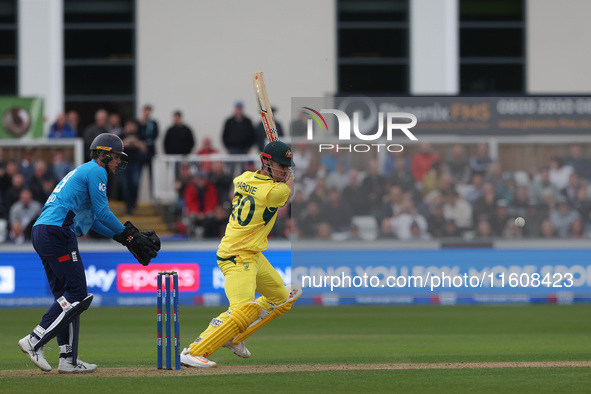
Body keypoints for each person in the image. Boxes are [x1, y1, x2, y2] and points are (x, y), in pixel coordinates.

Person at [18, 133, 160, 374]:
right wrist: (131, 236)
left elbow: (93, 220)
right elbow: (104, 213)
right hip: (57, 232)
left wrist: (124, 239)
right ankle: (34, 339)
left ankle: (68, 359)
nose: (118, 162)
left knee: (66, 299)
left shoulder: (84, 171)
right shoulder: (97, 171)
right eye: (116, 157)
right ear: (103, 154)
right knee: (77, 294)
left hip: (43, 231)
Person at [180, 140, 301, 368]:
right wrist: (290, 176)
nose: (285, 171)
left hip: (252, 253)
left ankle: (235, 336)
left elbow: (261, 182)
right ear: (265, 162)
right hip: (238, 255)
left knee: (281, 299)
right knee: (242, 309)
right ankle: (194, 351)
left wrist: (282, 168)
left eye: (287, 166)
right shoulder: (274, 192)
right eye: (282, 166)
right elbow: (289, 189)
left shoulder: (243, 178)